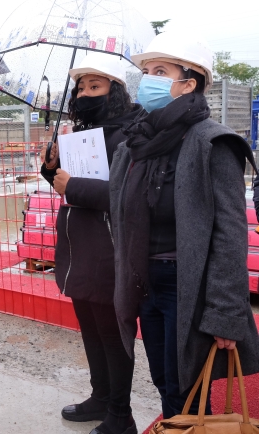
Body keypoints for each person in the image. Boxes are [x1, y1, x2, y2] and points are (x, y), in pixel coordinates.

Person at [110, 32, 259, 419]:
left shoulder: (213, 143)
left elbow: (230, 234)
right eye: (146, 71)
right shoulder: (136, 144)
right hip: (146, 282)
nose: (148, 79)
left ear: (189, 84)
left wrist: (225, 312)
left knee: (186, 385)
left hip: (188, 286)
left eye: (160, 71)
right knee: (163, 378)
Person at [41, 52, 143, 434]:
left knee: (112, 334)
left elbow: (127, 196)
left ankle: (121, 413)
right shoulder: (82, 133)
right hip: (78, 246)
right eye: (81, 88)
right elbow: (67, 186)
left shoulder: (131, 134)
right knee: (90, 329)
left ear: (114, 91)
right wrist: (51, 167)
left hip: (110, 250)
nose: (84, 94)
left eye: (94, 86)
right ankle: (100, 396)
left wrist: (74, 186)